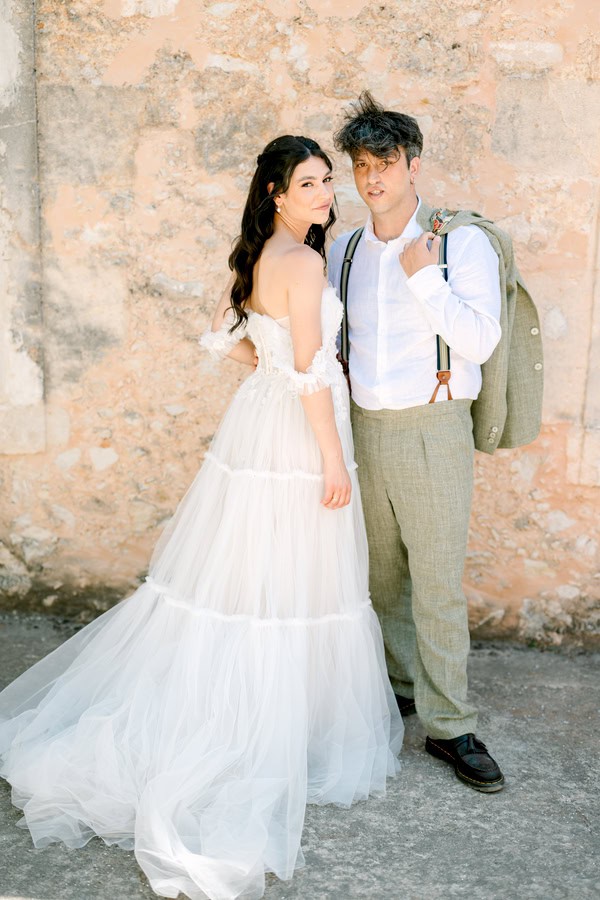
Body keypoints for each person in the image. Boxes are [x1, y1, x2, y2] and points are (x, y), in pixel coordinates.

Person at [0, 135, 402, 900]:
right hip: (295, 432)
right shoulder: (308, 262)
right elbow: (314, 372)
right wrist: (328, 458)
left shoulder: (260, 255)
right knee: (289, 575)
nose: (324, 193)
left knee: (254, 575)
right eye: (309, 183)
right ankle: (273, 729)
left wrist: (270, 369)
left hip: (258, 417)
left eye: (326, 181)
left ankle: (272, 714)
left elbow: (231, 339)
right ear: (277, 194)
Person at [328, 93, 505, 793]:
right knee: (381, 579)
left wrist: (423, 276)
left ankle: (451, 724)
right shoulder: (344, 249)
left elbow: (482, 340)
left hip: (433, 429)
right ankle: (401, 688)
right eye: (362, 166)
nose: (373, 178)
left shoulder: (459, 240)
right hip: (365, 430)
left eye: (386, 163)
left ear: (413, 164)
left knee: (435, 581)